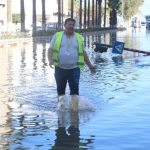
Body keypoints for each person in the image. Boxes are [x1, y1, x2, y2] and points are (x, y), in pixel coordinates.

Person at [47, 18, 95, 110]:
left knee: (75, 92)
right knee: (60, 91)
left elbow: (83, 52)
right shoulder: (57, 36)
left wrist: (90, 66)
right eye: (69, 24)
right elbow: (50, 49)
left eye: (73, 25)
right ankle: (61, 111)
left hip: (74, 69)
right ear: (65, 25)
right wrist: (50, 60)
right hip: (60, 68)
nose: (71, 26)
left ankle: (74, 111)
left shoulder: (79, 37)